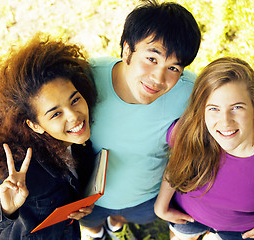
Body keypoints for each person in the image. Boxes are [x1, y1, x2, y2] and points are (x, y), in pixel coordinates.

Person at [79, 1, 201, 239]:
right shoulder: (86, 78)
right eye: (152, 59)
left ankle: (116, 225)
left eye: (174, 68)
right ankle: (97, 234)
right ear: (127, 50)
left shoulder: (190, 93)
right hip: (88, 197)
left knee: (126, 217)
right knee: (90, 224)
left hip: (146, 197)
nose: (159, 78)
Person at [0, 36, 98, 239]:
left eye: (74, 100)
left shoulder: (78, 143)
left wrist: (79, 206)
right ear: (35, 125)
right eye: (56, 113)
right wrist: (6, 210)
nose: (74, 115)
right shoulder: (21, 170)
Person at [154, 57, 254, 240]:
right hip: (187, 216)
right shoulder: (191, 132)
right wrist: (161, 205)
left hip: (239, 230)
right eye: (214, 108)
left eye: (237, 107)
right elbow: (176, 164)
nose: (225, 122)